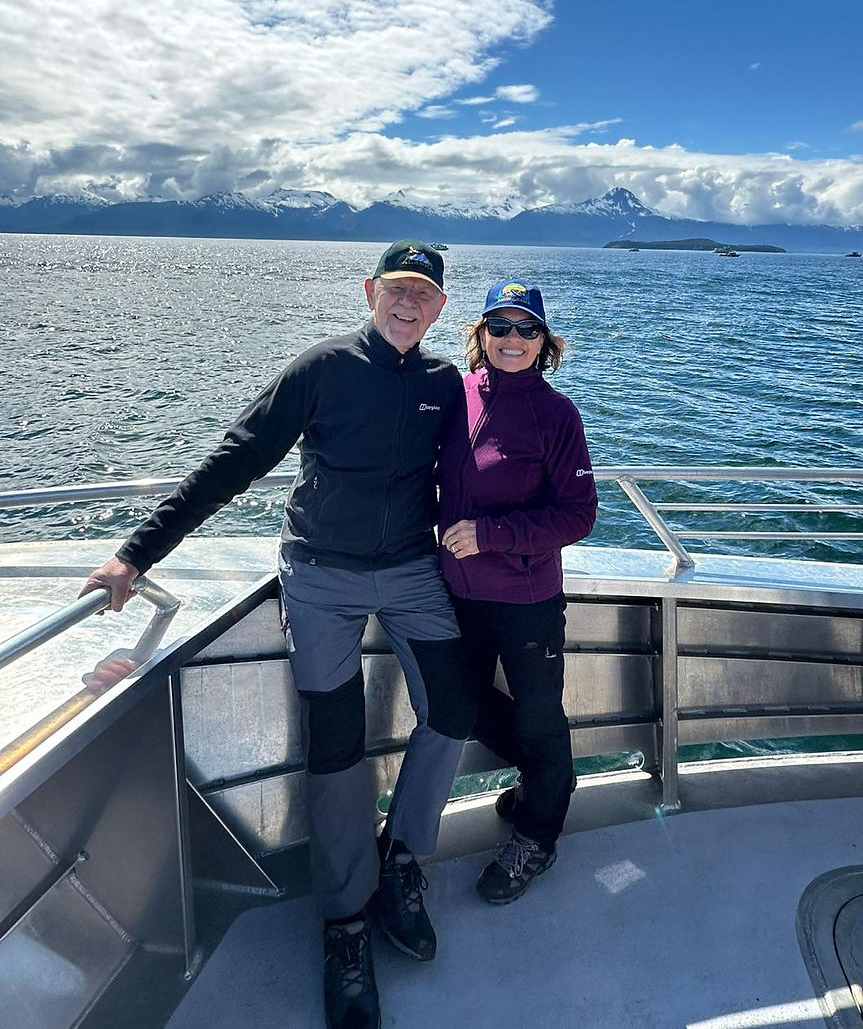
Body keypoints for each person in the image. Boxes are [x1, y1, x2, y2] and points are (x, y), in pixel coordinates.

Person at [80, 240, 475, 1029]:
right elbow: (238, 459)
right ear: (370, 291)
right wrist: (136, 552)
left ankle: (399, 860)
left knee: (455, 710)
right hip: (322, 574)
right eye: (395, 289)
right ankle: (346, 923)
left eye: (422, 295)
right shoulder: (320, 369)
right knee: (336, 742)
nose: (407, 304)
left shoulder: (443, 383)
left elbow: (487, 460)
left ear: (438, 309)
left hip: (408, 569)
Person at [439, 279, 597, 904]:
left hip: (527, 596)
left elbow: (579, 515)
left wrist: (493, 535)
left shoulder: (558, 415)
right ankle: (549, 775)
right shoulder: (459, 395)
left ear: (544, 343)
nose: (512, 339)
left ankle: (539, 831)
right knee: (459, 701)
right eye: (499, 326)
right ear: (479, 335)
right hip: (454, 589)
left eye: (526, 328)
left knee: (536, 713)